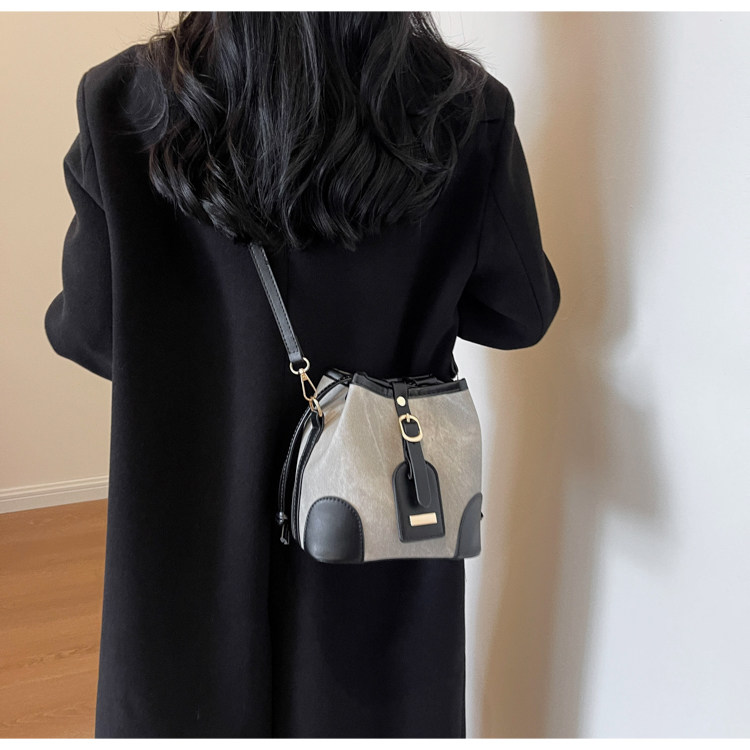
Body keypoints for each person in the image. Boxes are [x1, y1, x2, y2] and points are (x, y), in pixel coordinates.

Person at [44, 11, 560, 738]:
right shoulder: (463, 108)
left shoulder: (122, 101)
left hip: (185, 532)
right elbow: (519, 314)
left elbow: (91, 331)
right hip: (379, 528)